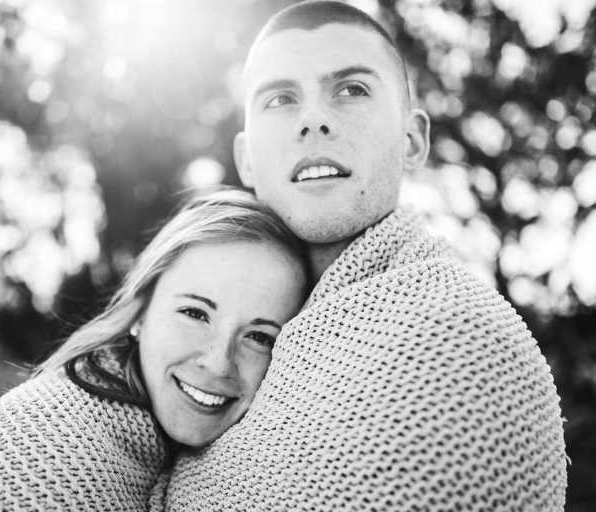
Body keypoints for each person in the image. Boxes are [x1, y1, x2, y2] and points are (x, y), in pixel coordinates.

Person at [156, 2, 568, 510]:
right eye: (281, 99)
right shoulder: (186, 312)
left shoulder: (460, 338)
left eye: (351, 90)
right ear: (246, 159)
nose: (312, 120)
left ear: (412, 139)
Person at [0, 188, 308, 510]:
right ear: (140, 312)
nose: (218, 362)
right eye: (194, 313)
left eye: (260, 337)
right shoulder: (45, 442)